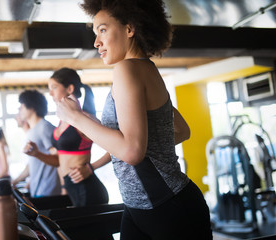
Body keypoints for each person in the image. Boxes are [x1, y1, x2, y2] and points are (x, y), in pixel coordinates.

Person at [53, 0, 213, 239]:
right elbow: (181, 130)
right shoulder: (147, 69)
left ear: (129, 28)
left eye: (103, 30)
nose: (96, 42)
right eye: (96, 33)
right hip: (144, 205)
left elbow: (131, 151)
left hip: (167, 208)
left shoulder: (127, 69)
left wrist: (76, 118)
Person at [23, 68, 109, 207]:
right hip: (72, 189)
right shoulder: (62, 121)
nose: (50, 93)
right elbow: (59, 161)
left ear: (69, 88)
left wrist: (90, 168)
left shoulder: (84, 118)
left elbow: (115, 149)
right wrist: (37, 154)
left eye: (54, 87)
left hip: (87, 190)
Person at [12, 90, 61, 198]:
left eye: (22, 106)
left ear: (32, 107)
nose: (19, 110)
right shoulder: (32, 131)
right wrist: (14, 181)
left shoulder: (45, 127)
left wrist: (36, 154)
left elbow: (58, 160)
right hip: (37, 190)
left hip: (48, 192)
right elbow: (32, 164)